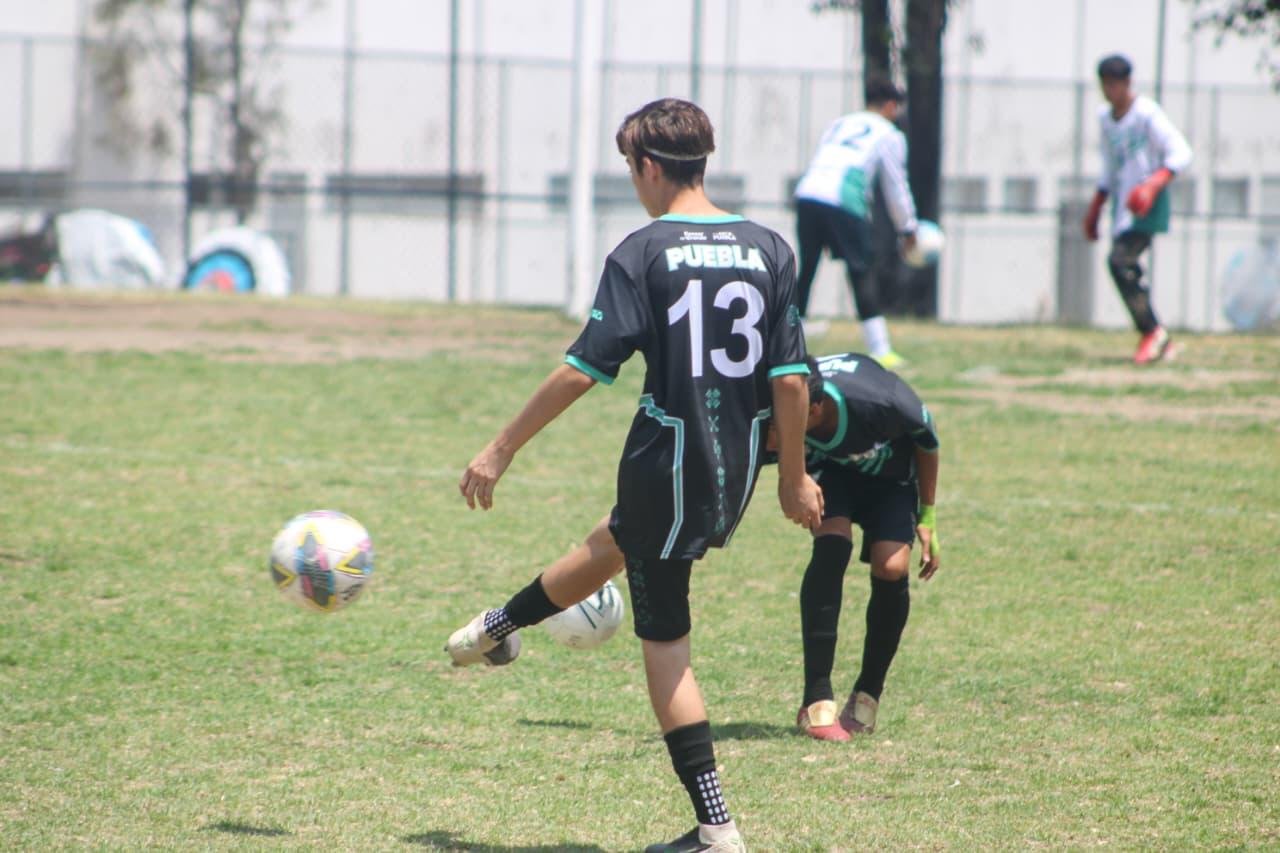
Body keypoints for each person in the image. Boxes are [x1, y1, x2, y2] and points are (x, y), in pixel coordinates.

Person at [446, 97, 824, 853]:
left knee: (666, 644)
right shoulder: (770, 248)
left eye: (629, 167)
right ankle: (494, 631)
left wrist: (502, 447)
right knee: (615, 540)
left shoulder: (644, 251)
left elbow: (584, 369)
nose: (632, 181)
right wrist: (792, 476)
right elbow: (790, 380)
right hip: (732, 467)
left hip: (668, 460)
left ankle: (717, 829)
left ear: (650, 166)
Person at [785, 353, 941, 742]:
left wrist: (927, 516)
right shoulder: (785, 401)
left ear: (815, 408)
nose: (783, 419)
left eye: (795, 414)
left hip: (889, 479)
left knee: (892, 567)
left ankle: (868, 692)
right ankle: (816, 698)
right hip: (831, 473)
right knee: (832, 547)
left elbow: (928, 440)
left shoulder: (883, 402)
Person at [792, 78, 919, 368]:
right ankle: (880, 349)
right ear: (891, 106)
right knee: (861, 270)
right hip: (843, 198)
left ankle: (789, 343)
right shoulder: (890, 134)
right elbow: (896, 186)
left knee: (806, 269)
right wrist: (908, 227)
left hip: (808, 193)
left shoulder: (839, 123)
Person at [1083, 54, 1193, 365]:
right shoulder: (1106, 119)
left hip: (1147, 205)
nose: (1109, 91)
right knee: (1123, 265)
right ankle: (1158, 337)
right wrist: (1095, 209)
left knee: (1120, 261)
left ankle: (1152, 332)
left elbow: (1181, 152)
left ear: (1127, 83)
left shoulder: (1146, 113)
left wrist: (1152, 185)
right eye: (1105, 85)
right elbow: (1109, 167)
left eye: (1114, 84)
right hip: (1123, 207)